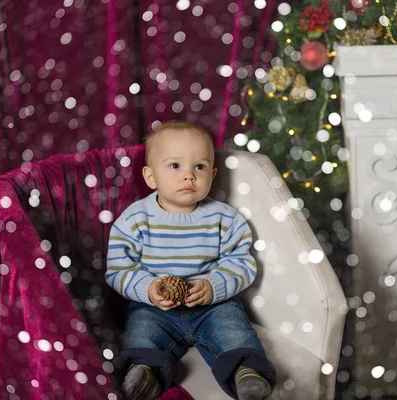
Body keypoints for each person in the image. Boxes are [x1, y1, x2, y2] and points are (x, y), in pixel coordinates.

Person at [105, 121, 276, 400]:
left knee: (232, 327)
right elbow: (118, 269)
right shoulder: (135, 219)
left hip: (212, 306)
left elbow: (241, 263)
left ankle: (246, 372)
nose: (189, 176)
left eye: (199, 167)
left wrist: (214, 286)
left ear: (213, 173)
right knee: (141, 331)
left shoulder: (225, 218)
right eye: (175, 166)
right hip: (155, 308)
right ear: (150, 177)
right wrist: (148, 289)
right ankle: (145, 371)